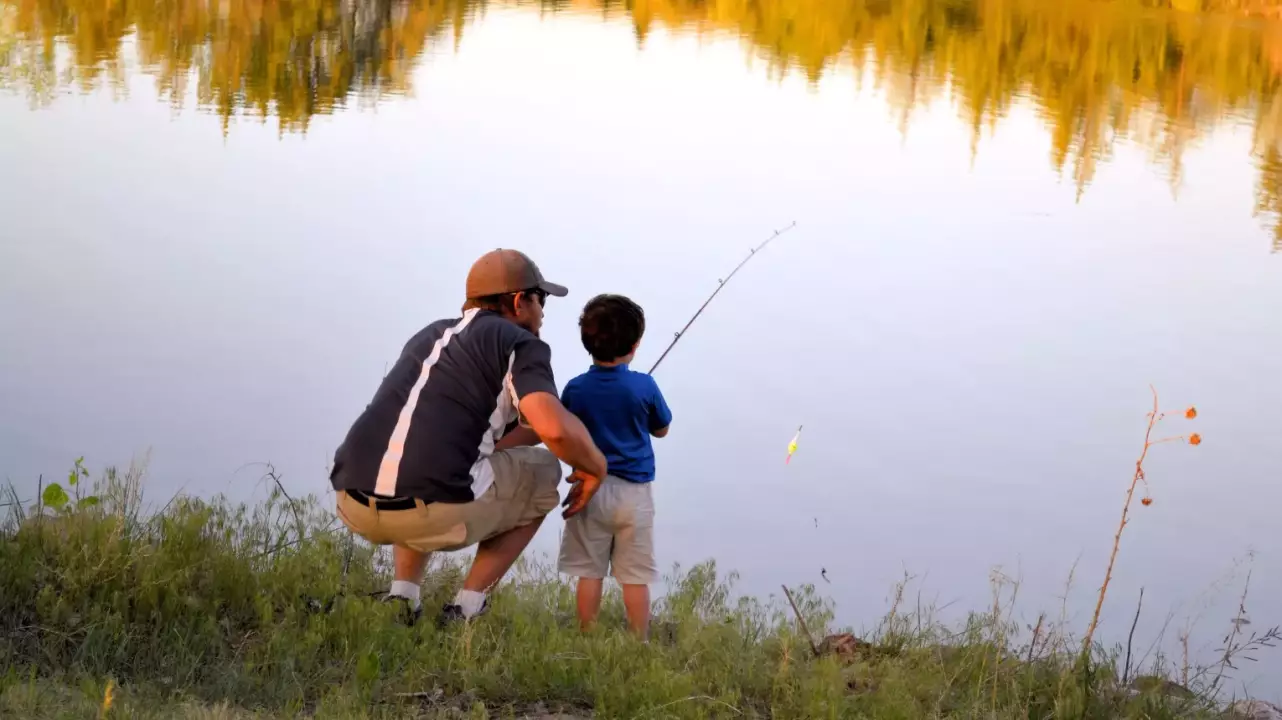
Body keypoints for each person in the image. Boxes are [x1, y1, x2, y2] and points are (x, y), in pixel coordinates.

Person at [329, 249, 608, 627]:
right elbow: (553, 428)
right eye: (540, 299)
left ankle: (402, 597)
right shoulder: (521, 343)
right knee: (544, 472)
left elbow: (522, 431)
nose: (543, 311)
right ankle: (468, 608)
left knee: (416, 456)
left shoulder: (429, 335)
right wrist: (595, 466)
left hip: (353, 503)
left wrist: (552, 432)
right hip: (434, 515)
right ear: (518, 301)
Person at [556, 294, 672, 639]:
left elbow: (565, 430)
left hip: (588, 490)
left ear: (587, 343)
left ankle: (587, 634)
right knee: (635, 575)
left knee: (589, 570)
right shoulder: (644, 385)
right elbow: (662, 429)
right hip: (634, 496)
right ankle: (640, 640)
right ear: (635, 346)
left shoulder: (576, 388)